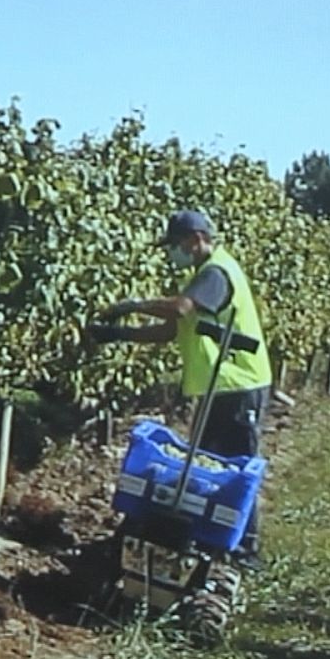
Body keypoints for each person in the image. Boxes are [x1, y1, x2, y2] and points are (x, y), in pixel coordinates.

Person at [88, 209, 272, 571]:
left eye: (175, 244)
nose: (173, 252)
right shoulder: (202, 276)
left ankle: (246, 553)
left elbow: (180, 308)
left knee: (235, 468)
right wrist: (117, 334)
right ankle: (207, 537)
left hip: (238, 386)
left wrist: (133, 305)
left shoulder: (216, 273)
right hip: (217, 389)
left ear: (196, 239)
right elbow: (169, 331)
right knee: (206, 467)